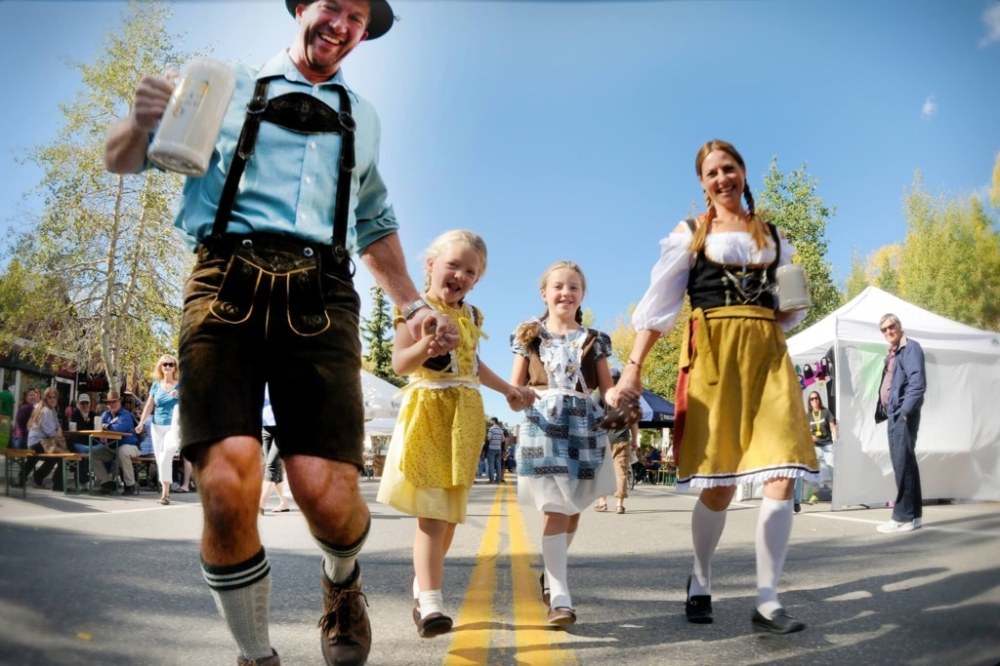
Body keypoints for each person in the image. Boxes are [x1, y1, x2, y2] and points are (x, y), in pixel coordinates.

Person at [103, 2, 459, 663]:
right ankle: (255, 651)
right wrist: (137, 119)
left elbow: (375, 223)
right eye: (334, 6)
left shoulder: (365, 118)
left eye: (359, 17)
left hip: (322, 294)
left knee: (324, 489)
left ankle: (342, 580)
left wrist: (412, 307)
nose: (344, 24)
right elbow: (123, 159)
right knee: (225, 479)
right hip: (223, 283)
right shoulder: (221, 83)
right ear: (301, 6)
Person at [610, 140, 818, 635]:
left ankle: (768, 600)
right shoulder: (690, 234)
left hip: (767, 352)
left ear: (743, 173)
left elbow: (789, 310)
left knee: (782, 473)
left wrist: (788, 307)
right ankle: (701, 577)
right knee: (720, 487)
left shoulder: (775, 238)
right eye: (711, 172)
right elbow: (658, 308)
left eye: (729, 168)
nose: (722, 178)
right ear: (702, 184)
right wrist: (633, 369)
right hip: (714, 354)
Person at [376, 229, 533, 639]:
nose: (461, 275)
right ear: (430, 265)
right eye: (454, 265)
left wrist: (510, 390)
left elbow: (475, 365)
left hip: (465, 416)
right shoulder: (415, 308)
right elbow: (400, 364)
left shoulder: (473, 316)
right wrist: (424, 345)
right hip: (430, 412)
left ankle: (421, 586)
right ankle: (429, 602)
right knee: (432, 513)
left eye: (471, 271)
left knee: (448, 518)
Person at [510, 260, 617, 627]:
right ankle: (560, 598)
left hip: (584, 427)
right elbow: (516, 387)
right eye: (558, 286)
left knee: (572, 513)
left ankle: (550, 575)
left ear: (581, 294)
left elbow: (608, 388)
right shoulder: (528, 336)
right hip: (543, 425)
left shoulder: (594, 338)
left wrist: (622, 397)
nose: (565, 293)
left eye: (573, 287)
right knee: (555, 509)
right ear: (544, 293)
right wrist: (516, 397)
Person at [874, 313, 927, 534]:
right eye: (884, 330)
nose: (888, 332)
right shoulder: (893, 352)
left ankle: (902, 517)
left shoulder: (911, 348)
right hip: (894, 413)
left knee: (902, 464)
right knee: (906, 463)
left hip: (902, 414)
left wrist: (905, 411)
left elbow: (917, 383)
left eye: (891, 327)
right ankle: (914, 516)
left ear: (899, 326)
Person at [136, 355, 181, 505]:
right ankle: (165, 494)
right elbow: (149, 405)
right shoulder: (156, 385)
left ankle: (166, 491)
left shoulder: (180, 385)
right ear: (161, 367)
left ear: (175, 367)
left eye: (171, 364)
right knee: (161, 459)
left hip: (173, 425)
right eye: (164, 364)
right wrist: (141, 422)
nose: (167, 367)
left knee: (166, 454)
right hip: (156, 425)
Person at [793, 391, 838, 512]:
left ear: (819, 399)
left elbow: (832, 425)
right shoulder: (808, 416)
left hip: (827, 445)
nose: (814, 401)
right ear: (809, 402)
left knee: (832, 468)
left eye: (816, 398)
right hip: (815, 446)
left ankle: (838, 496)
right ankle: (814, 494)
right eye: (812, 399)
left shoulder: (825, 411)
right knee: (813, 470)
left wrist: (835, 439)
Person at [91, 391, 142, 495]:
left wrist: (106, 426)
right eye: (109, 402)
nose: (112, 404)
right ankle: (107, 483)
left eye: (114, 402)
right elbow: (99, 426)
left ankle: (130, 485)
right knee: (93, 454)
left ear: (119, 401)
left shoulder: (126, 415)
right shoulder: (106, 414)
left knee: (122, 451)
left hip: (131, 447)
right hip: (112, 447)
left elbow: (119, 428)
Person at [23, 387, 66, 491]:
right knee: (61, 455)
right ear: (45, 399)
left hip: (40, 442)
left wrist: (58, 430)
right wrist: (58, 433)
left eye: (54, 397)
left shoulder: (52, 410)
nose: (52, 399)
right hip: (38, 442)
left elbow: (57, 425)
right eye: (50, 397)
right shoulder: (46, 411)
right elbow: (51, 432)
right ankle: (57, 485)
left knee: (55, 456)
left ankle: (37, 478)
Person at [259, 385, 290, 514]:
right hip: (265, 426)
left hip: (283, 426)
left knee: (272, 465)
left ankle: (259, 504)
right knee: (272, 466)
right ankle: (284, 502)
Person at [485, 417, 505, 483]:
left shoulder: (491, 429)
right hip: (498, 448)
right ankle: (498, 479)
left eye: (491, 421)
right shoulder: (501, 430)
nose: (490, 422)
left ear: (494, 421)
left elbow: (489, 438)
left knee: (491, 464)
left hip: (492, 448)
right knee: (498, 464)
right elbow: (503, 440)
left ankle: (491, 480)